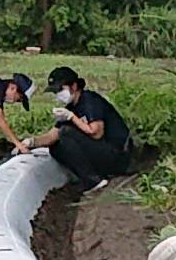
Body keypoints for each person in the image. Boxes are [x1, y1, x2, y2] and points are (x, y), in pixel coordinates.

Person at [15, 66, 132, 194]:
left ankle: (93, 181)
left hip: (118, 154)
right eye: (55, 92)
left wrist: (72, 118)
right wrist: (30, 142)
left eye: (60, 89)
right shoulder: (70, 107)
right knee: (55, 146)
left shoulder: (90, 101)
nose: (58, 95)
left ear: (74, 86)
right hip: (101, 153)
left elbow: (97, 133)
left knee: (66, 132)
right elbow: (52, 136)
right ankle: (88, 176)